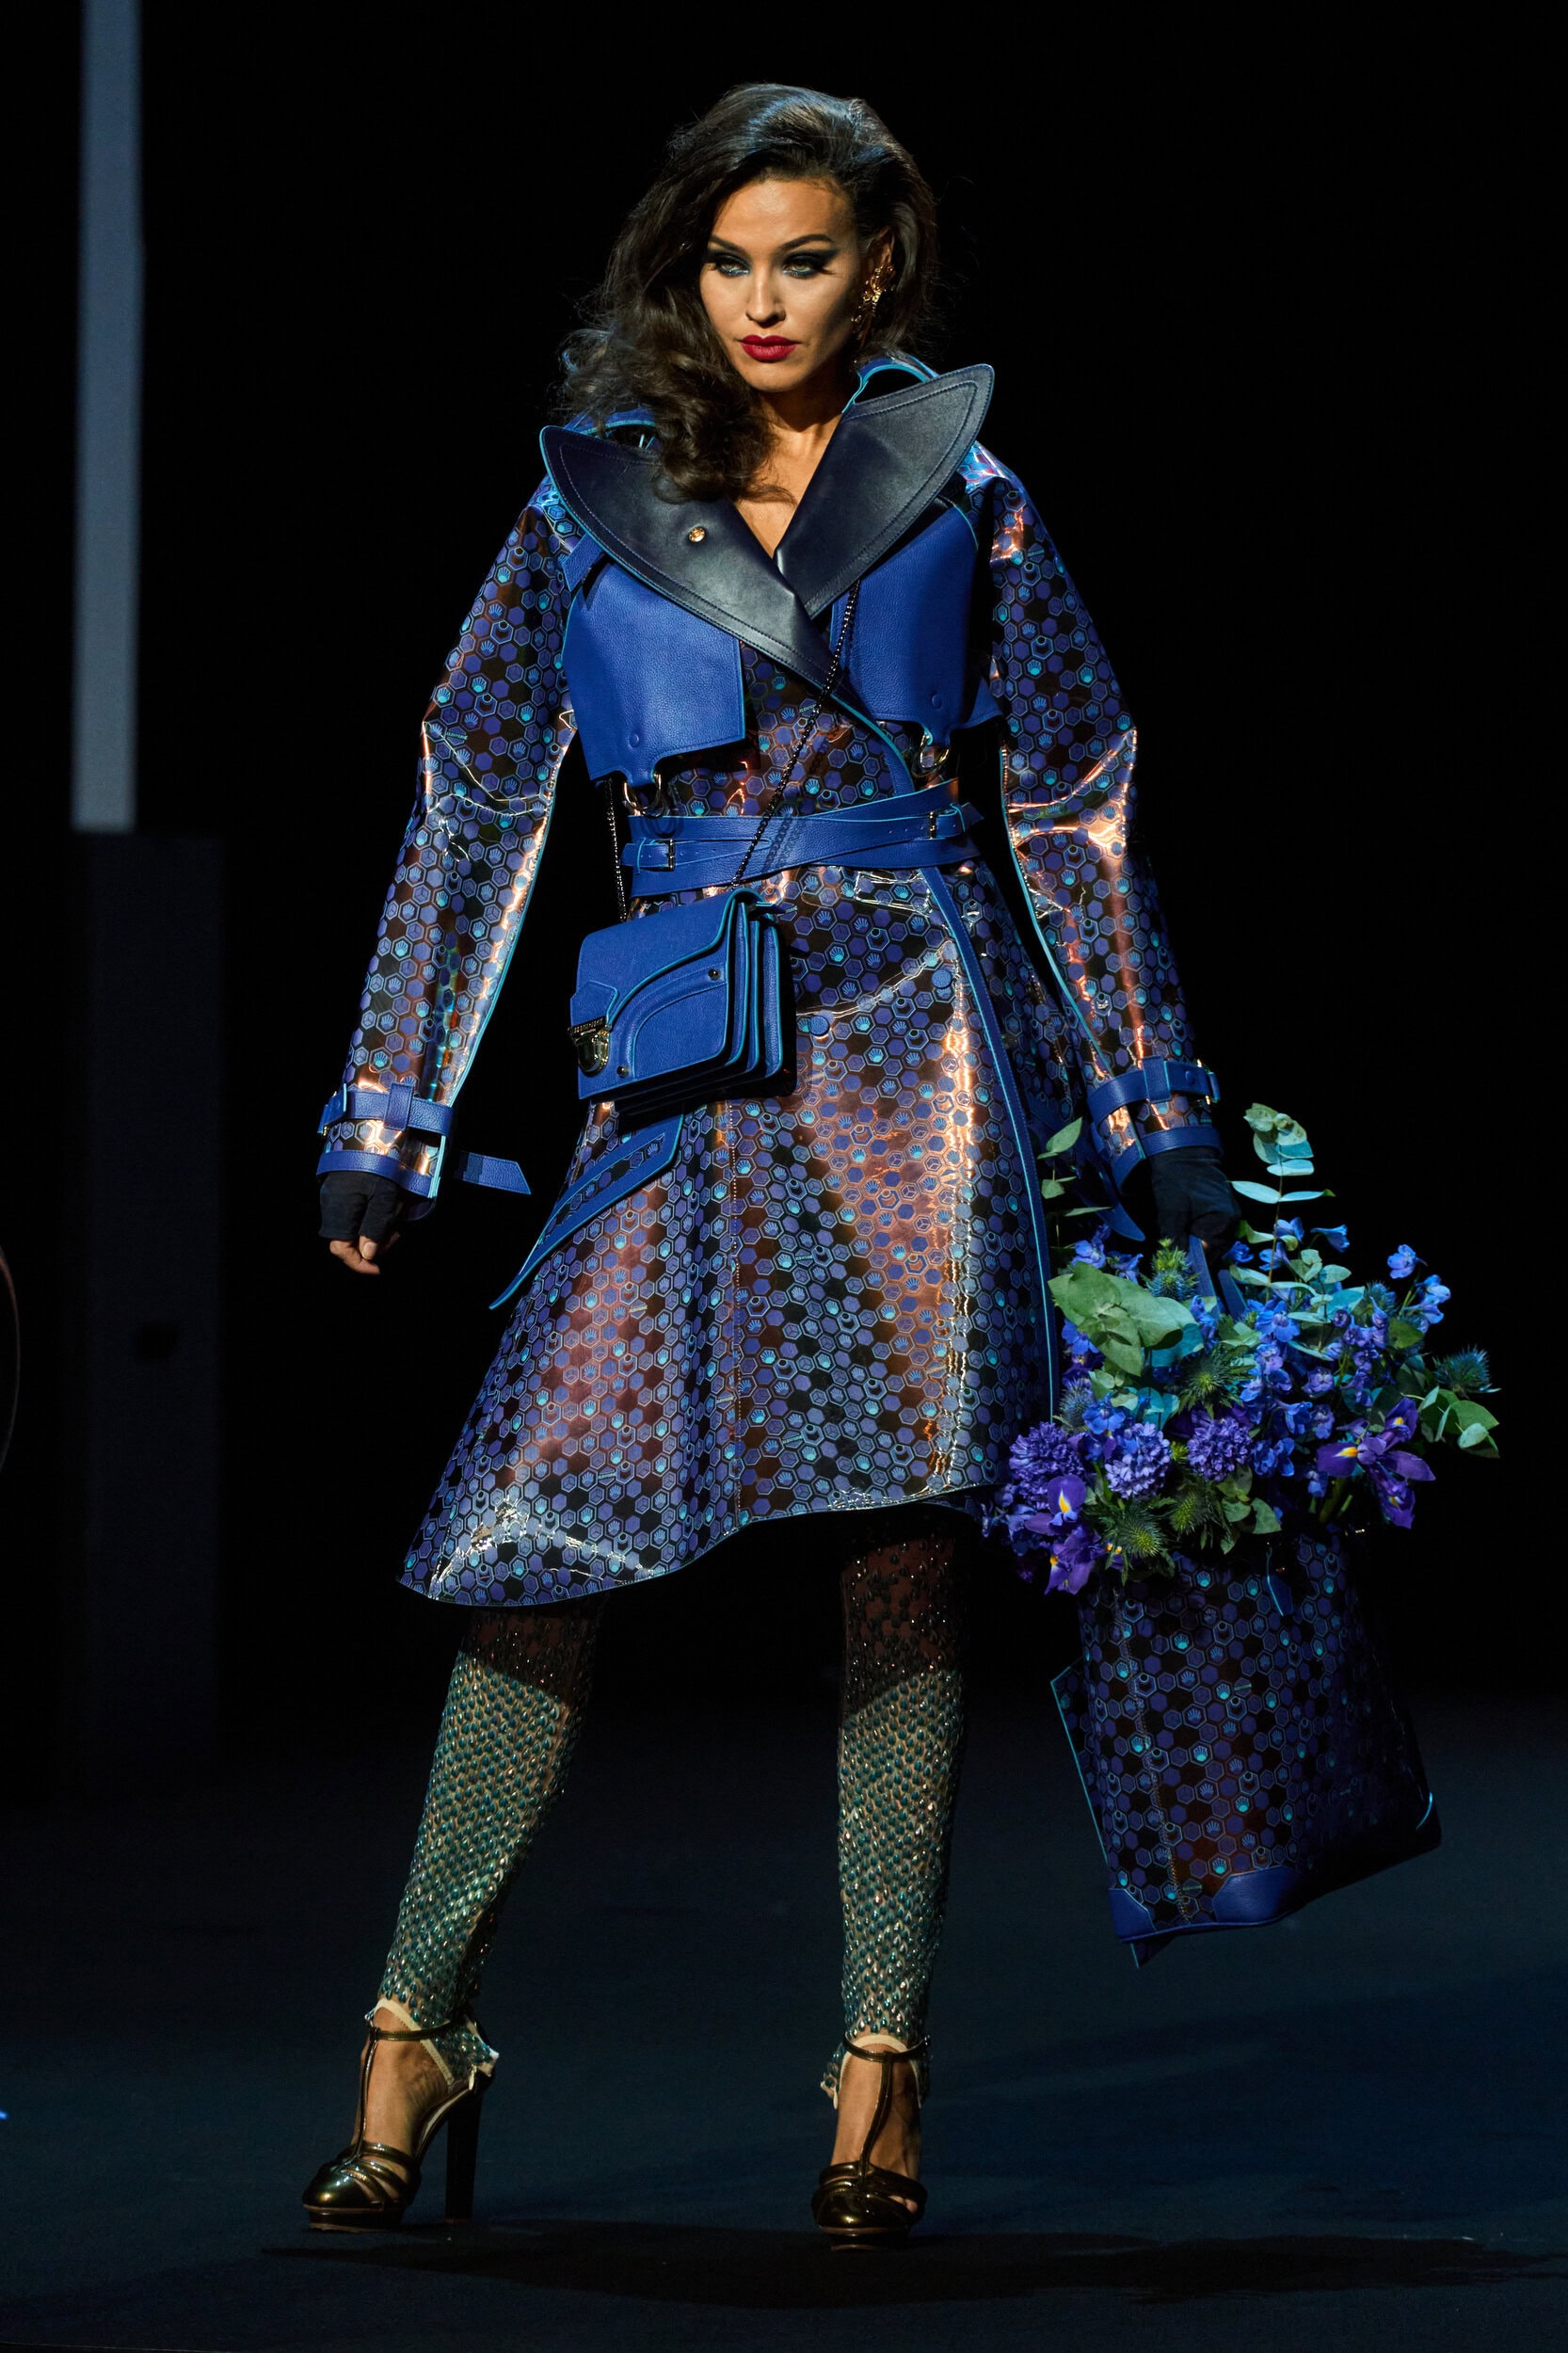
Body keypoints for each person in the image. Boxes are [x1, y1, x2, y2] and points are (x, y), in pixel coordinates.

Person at [304, 82, 1234, 2249]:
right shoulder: (591, 496)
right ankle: (413, 2018)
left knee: (900, 1546)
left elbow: (1071, 798)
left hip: (916, 1047)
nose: (760, 300)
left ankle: (878, 2065)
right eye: (727, 261)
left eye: (802, 259)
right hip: (679, 1042)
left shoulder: (963, 492)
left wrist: (1151, 1106)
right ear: (681, 268)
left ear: (876, 265)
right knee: (537, 1528)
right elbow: (474, 795)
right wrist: (386, 1109)